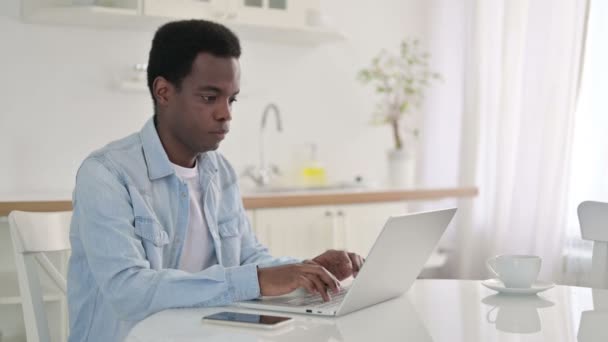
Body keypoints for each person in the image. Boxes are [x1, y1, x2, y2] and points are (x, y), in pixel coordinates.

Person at [67, 19, 364, 342]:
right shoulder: (106, 174)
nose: (226, 114)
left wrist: (306, 270)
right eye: (210, 98)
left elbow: (248, 258)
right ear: (163, 92)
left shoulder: (219, 172)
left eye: (231, 99)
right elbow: (129, 291)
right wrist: (258, 280)